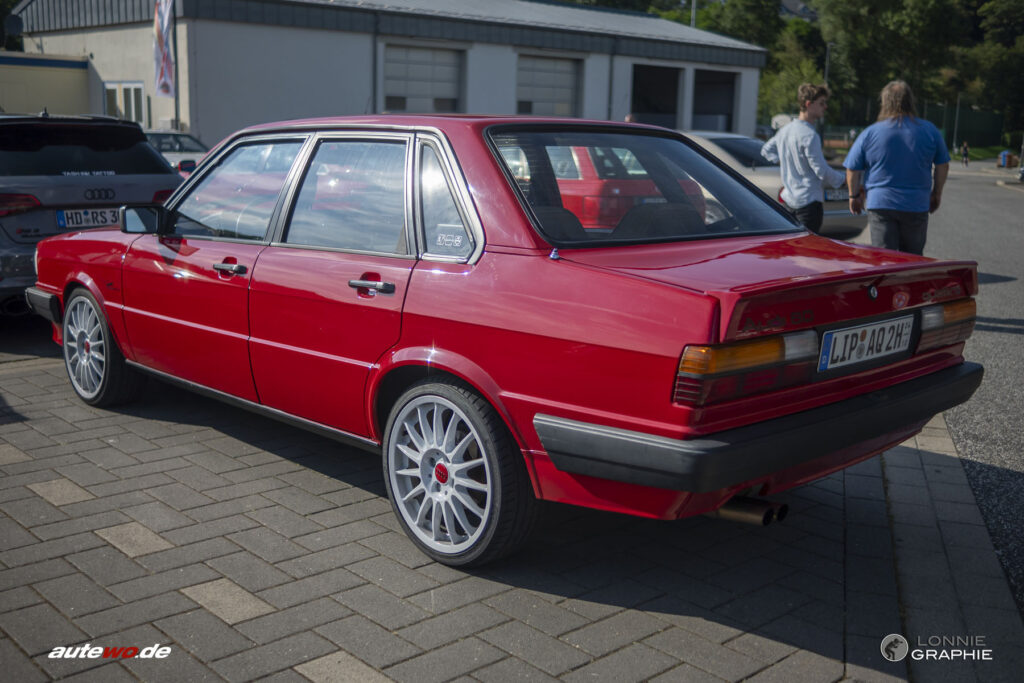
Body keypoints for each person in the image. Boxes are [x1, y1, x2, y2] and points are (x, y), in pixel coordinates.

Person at [844, 81, 950, 255]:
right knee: (913, 259)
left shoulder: (871, 132)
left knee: (883, 259)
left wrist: (853, 196)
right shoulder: (930, 131)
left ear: (885, 102)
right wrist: (936, 193)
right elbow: (942, 165)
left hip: (881, 204)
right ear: (911, 101)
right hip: (916, 204)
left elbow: (852, 169)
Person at [761, 83, 845, 233]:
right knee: (807, 247)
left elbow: (766, 150)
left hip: (789, 203)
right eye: (821, 103)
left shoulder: (785, 130)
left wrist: (784, 162)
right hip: (808, 204)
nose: (825, 107)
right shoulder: (810, 135)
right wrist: (844, 180)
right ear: (808, 104)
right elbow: (821, 170)